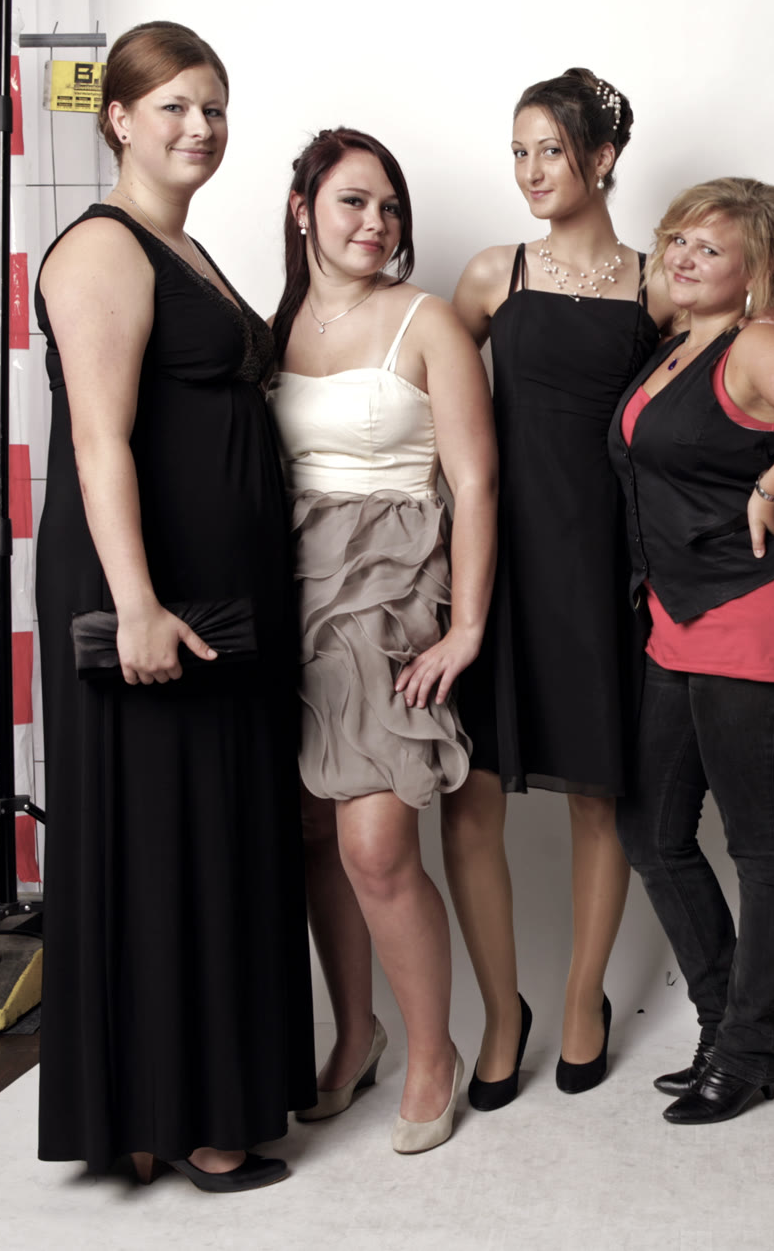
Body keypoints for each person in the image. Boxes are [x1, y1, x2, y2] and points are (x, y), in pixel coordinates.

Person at [33, 21, 311, 1192]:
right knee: (160, 836)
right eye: (175, 108)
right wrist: (138, 605)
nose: (201, 128)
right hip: (147, 587)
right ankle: (183, 1119)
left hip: (219, 592)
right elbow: (98, 443)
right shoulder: (101, 248)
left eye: (214, 108)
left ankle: (170, 1109)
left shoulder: (181, 246)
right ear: (117, 119)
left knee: (208, 835)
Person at [609, 178, 774, 1125]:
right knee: (650, 832)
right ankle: (724, 1022)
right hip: (676, 618)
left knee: (761, 845)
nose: (683, 257)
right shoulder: (676, 344)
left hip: (757, 616)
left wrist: (771, 488)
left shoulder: (757, 345)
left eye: (709, 248)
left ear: (755, 268)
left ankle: (751, 1051)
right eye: (677, 239)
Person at [267, 128, 498, 1154]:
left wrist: (466, 624)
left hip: (389, 586)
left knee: (374, 844)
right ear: (303, 209)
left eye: (389, 206)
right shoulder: (272, 326)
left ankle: (432, 1054)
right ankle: (354, 1034)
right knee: (312, 833)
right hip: (287, 586)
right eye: (353, 202)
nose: (375, 223)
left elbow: (476, 483)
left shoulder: (427, 319)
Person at [448, 69, 668, 1108]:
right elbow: (433, 409)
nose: (532, 171)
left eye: (551, 150)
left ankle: (583, 998)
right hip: (496, 565)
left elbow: (713, 394)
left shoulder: (656, 286)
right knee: (471, 795)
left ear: (603, 158)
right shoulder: (491, 276)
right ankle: (502, 1011)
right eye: (519, 152)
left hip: (602, 571)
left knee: (598, 795)